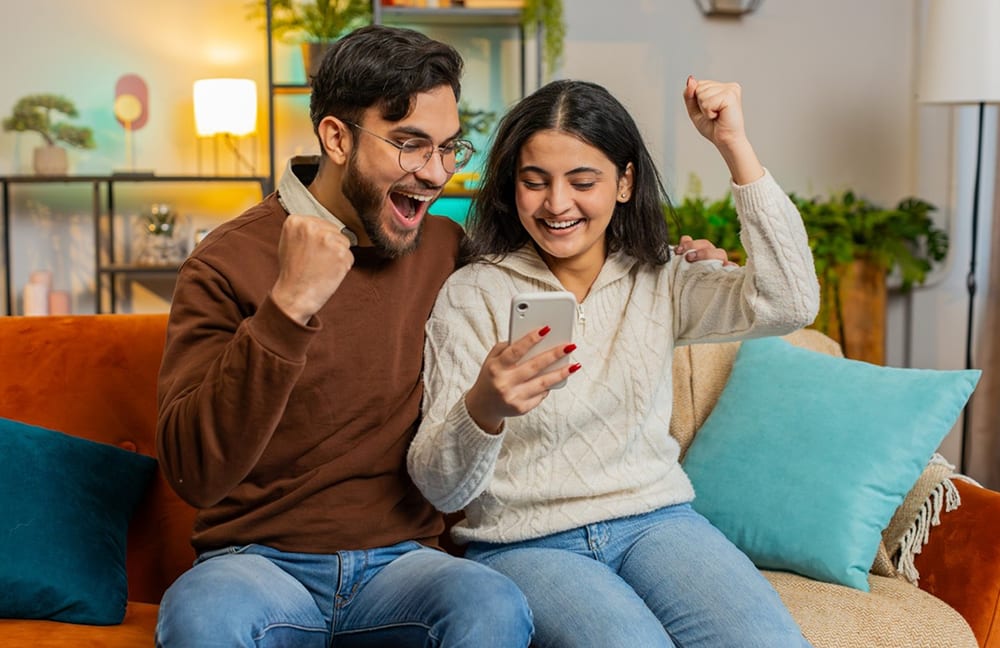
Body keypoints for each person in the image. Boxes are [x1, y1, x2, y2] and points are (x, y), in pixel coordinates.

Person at [153, 24, 535, 647]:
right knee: (203, 618)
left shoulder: (446, 250)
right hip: (256, 563)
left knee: (492, 605)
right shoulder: (225, 262)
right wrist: (287, 307)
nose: (436, 173)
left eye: (448, 148)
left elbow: (564, 255)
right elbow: (194, 472)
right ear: (336, 137)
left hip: (403, 564)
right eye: (411, 145)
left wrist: (671, 261)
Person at [408, 77, 820, 647]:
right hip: (525, 543)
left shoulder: (664, 279)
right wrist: (485, 407)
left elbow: (791, 301)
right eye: (535, 182)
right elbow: (439, 487)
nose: (557, 204)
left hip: (658, 524)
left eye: (583, 182)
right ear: (512, 186)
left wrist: (734, 145)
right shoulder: (473, 294)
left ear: (624, 182)